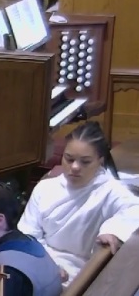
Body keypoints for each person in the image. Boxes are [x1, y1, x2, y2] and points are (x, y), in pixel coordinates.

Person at [17, 121, 139, 286]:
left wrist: (113, 230)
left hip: (76, 269)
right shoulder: (46, 187)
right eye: (69, 159)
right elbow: (28, 233)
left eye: (85, 161)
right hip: (39, 258)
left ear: (100, 161)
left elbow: (134, 209)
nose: (74, 167)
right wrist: (46, 265)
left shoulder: (110, 190)